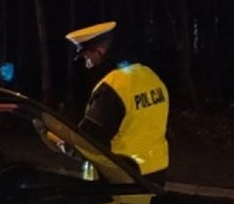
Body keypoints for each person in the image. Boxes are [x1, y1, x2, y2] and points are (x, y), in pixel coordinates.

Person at [67, 21, 169, 185]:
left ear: (99, 52)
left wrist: (59, 140)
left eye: (87, 56)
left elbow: (88, 143)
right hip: (155, 173)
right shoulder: (150, 76)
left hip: (119, 178)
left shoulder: (112, 88)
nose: (87, 64)